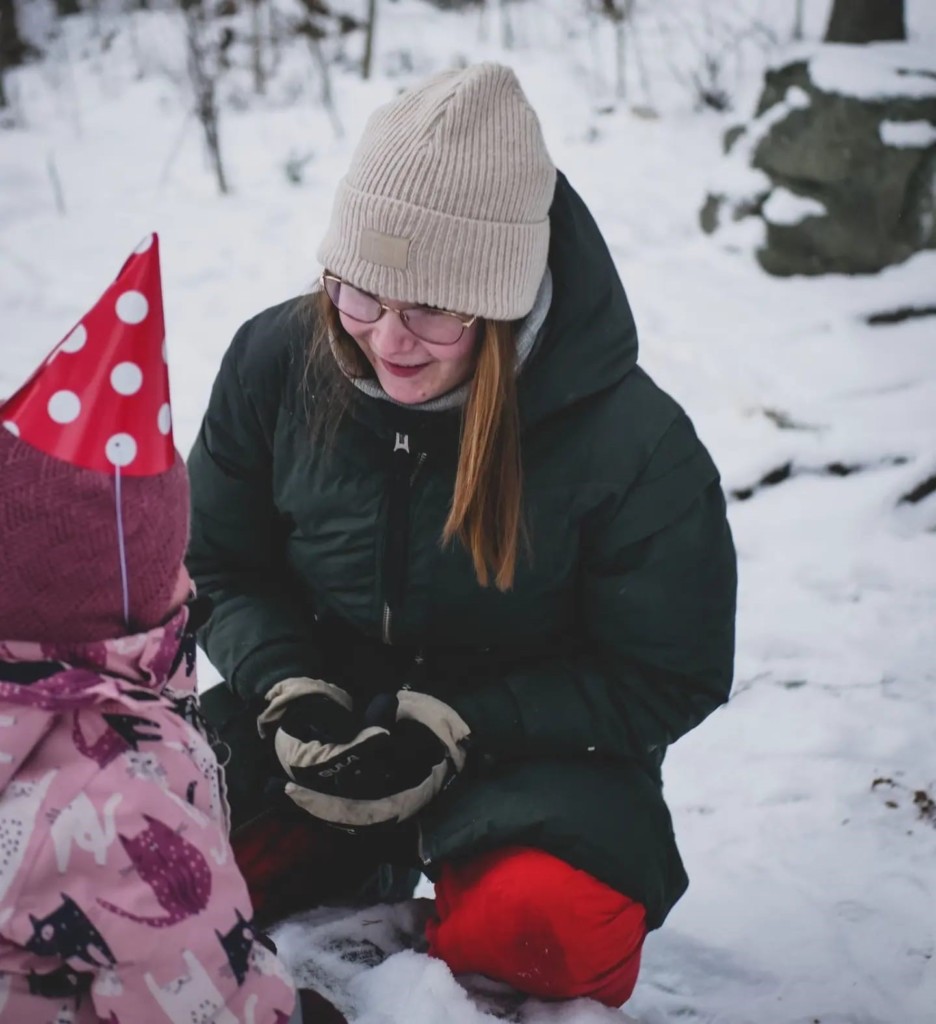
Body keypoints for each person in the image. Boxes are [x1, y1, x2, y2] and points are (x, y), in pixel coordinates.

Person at [189, 62, 737, 1007]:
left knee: (552, 930)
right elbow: (218, 562)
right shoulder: (275, 360)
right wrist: (286, 685)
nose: (386, 339)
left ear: (504, 299)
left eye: (433, 310)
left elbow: (667, 671)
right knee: (146, 858)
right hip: (318, 737)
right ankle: (335, 868)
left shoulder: (633, 444)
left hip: (530, 752)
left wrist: (458, 720)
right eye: (355, 295)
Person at [0, 237, 300, 1023]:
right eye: (173, 565)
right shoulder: (125, 793)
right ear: (116, 604)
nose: (192, 581)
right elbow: (208, 994)